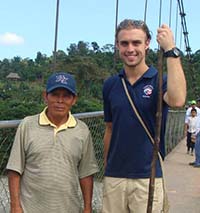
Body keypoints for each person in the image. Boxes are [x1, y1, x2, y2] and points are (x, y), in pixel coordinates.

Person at [102, 19, 186, 213]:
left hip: (148, 175)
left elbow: (177, 99)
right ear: (117, 45)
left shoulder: (160, 81)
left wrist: (171, 50)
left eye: (136, 43)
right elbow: (109, 128)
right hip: (114, 176)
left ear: (147, 43)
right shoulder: (111, 85)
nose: (130, 49)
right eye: (124, 43)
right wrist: (107, 168)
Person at [6, 72, 99, 213]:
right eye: (55, 94)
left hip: (69, 208)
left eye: (66, 96)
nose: (60, 101)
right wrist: (15, 206)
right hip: (30, 209)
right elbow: (14, 170)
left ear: (74, 100)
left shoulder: (82, 130)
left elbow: (86, 173)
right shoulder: (27, 125)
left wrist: (87, 208)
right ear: (45, 96)